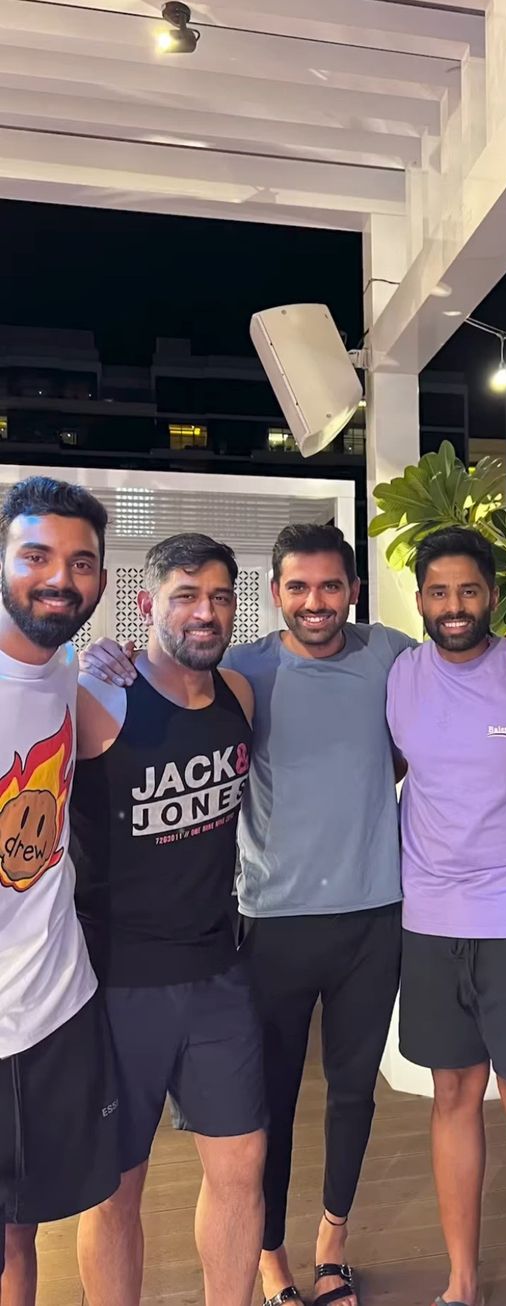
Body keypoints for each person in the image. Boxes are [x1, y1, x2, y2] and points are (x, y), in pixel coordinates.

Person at [81, 522, 506, 1306]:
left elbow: (459, 668)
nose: (315, 602)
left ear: (354, 593)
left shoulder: (393, 656)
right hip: (270, 919)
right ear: (274, 596)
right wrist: (109, 657)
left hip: (376, 914)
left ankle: (332, 1242)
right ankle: (270, 1257)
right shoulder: (241, 670)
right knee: (262, 1104)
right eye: (297, 588)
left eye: (331, 586)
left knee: (352, 1093)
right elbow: (171, 670)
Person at [71, 533, 267, 1306]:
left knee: (241, 1169)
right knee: (115, 1189)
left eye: (219, 597)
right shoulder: (97, 701)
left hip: (219, 974)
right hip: (118, 985)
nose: (205, 612)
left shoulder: (240, 700)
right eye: (185, 596)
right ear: (148, 605)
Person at [386, 527, 506, 1306]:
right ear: (421, 598)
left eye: (469, 591)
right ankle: (462, 1281)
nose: (454, 606)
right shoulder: (399, 674)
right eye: (438, 592)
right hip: (430, 918)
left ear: (494, 595)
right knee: (453, 1095)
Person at [0, 476, 120, 1306]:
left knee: (21, 1229)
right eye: (36, 556)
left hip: (50, 1005)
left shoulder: (63, 668)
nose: (59, 579)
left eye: (81, 563)